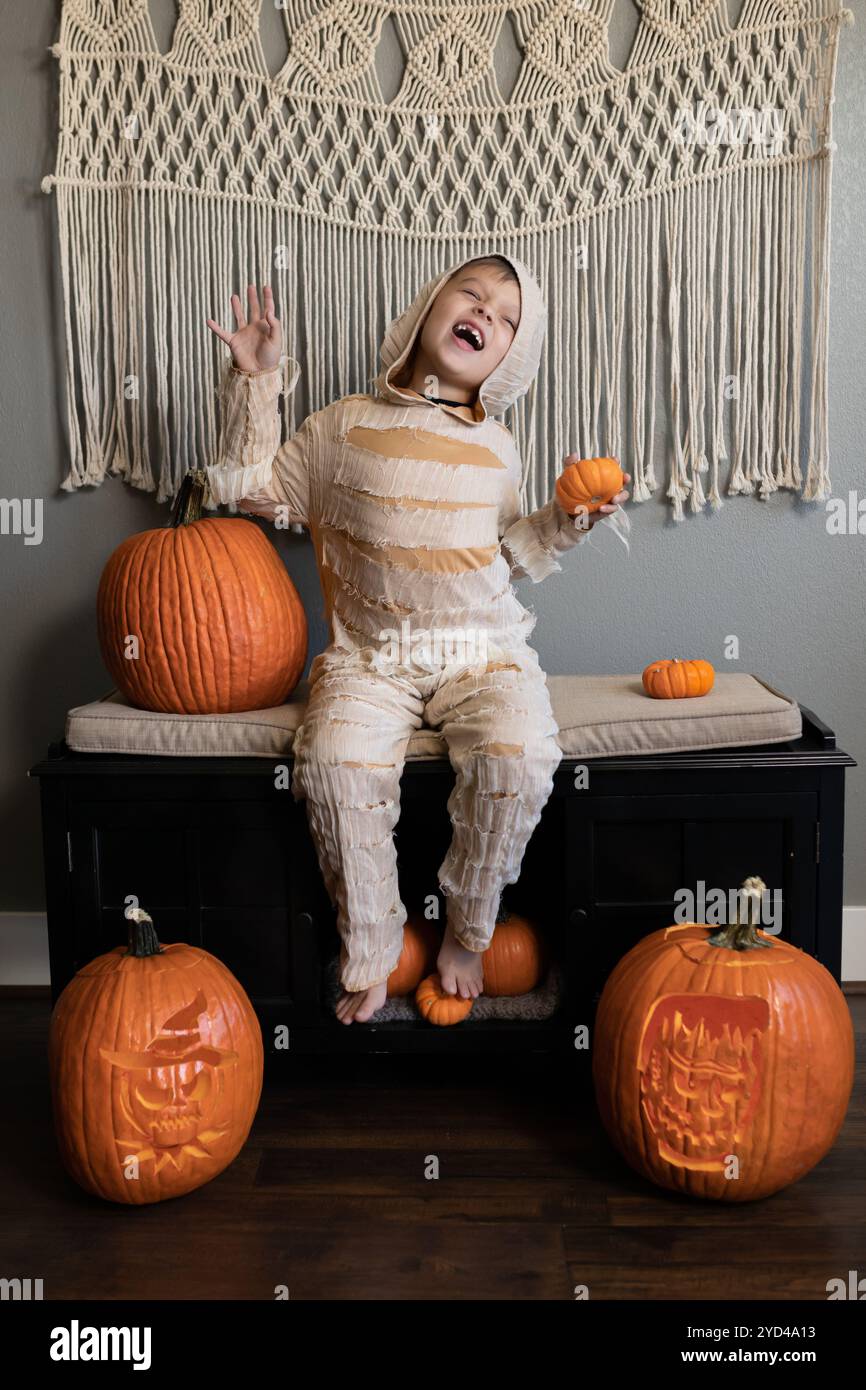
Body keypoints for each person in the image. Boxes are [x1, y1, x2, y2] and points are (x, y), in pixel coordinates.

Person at [205, 253, 629, 1024]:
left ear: (509, 361)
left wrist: (566, 523)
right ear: (429, 308)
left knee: (522, 753)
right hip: (371, 658)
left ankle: (470, 926)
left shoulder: (499, 448)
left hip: (483, 651)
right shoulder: (341, 426)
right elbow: (249, 490)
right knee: (333, 764)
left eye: (506, 318)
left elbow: (505, 554)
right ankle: (372, 943)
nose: (485, 313)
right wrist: (256, 381)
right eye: (471, 293)